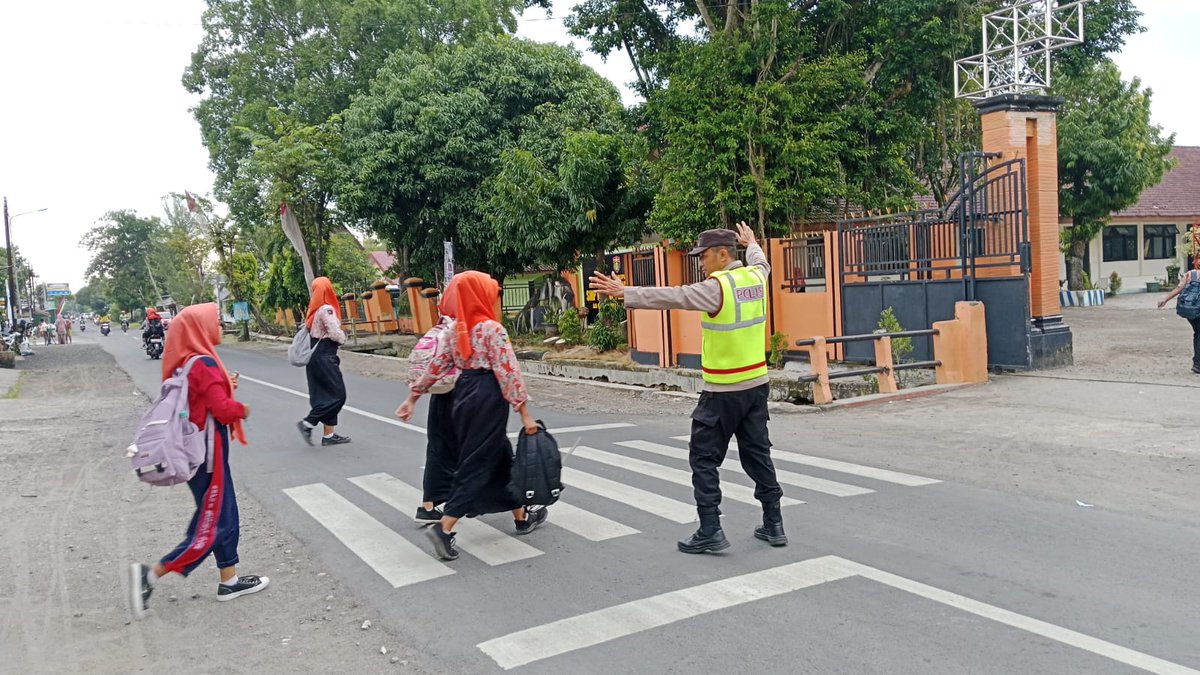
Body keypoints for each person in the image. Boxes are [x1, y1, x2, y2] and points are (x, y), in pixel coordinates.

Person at [590, 222, 786, 553]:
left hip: (723, 391)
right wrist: (752, 242)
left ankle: (710, 529)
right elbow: (761, 261)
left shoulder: (717, 288)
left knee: (703, 458)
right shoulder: (755, 278)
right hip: (756, 387)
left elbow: (676, 295)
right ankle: (774, 524)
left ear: (723, 255)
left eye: (704, 256)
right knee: (758, 454)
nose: (700, 262)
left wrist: (626, 293)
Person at [127, 303, 266, 620]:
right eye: (213, 320)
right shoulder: (202, 364)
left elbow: (202, 397)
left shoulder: (188, 362)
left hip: (201, 455)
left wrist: (224, 384)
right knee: (213, 523)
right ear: (199, 328)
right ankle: (150, 575)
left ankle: (228, 581)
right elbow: (222, 409)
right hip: (209, 457)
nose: (217, 324)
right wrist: (241, 409)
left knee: (224, 514)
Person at [397, 271, 546, 561]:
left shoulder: (455, 330)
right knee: (477, 462)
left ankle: (522, 517)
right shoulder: (492, 329)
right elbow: (508, 371)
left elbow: (436, 366)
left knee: (500, 456)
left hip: (463, 395)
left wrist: (413, 397)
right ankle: (445, 527)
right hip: (487, 395)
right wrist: (525, 414)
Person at [396, 312, 461, 525]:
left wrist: (412, 398)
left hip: (441, 395)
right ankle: (517, 510)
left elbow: (435, 368)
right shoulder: (470, 325)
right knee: (483, 449)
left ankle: (428, 506)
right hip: (463, 395)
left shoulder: (442, 325)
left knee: (438, 448)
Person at [296, 277, 351, 446]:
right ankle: (308, 423)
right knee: (338, 395)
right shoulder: (326, 309)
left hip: (314, 357)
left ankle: (328, 436)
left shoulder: (312, 311)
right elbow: (334, 333)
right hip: (325, 355)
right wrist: (344, 338)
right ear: (328, 289)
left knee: (324, 394)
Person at [1157, 266, 1200, 374]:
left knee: (1198, 334)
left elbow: (1179, 288)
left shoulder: (1190, 274)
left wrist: (1165, 299)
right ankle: (1197, 364)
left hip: (1189, 310)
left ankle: (1197, 363)